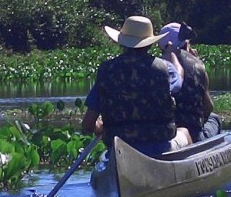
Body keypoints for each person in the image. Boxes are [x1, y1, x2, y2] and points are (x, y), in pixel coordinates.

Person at [81, 15, 191, 156]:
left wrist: (99, 127)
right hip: (160, 146)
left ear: (122, 43)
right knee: (185, 133)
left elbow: (87, 124)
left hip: (119, 150)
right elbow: (178, 82)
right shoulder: (165, 69)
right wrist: (173, 57)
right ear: (150, 44)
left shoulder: (106, 71)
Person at [159, 22, 222, 142]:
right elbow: (208, 108)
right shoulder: (197, 65)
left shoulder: (157, 66)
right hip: (194, 135)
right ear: (185, 44)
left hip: (166, 133)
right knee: (215, 118)